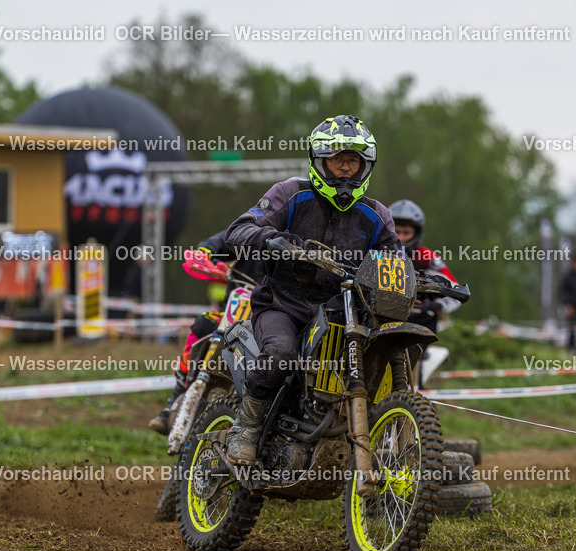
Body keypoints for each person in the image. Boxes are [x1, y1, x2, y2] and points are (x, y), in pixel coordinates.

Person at [222, 114, 402, 467]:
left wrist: (425, 279)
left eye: (353, 161)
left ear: (365, 166)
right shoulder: (290, 193)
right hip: (282, 305)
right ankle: (246, 426)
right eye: (338, 161)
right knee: (283, 352)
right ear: (320, 162)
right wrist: (271, 240)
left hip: (342, 312)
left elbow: (395, 260)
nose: (346, 171)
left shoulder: (377, 215)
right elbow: (238, 230)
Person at [146, 230, 265, 435]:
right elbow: (229, 238)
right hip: (229, 317)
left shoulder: (300, 249)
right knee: (204, 323)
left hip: (264, 324)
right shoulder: (259, 232)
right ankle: (175, 398)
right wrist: (205, 252)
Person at [388, 199, 460, 333]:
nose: (401, 237)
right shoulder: (378, 253)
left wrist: (438, 304)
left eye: (406, 232)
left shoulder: (426, 256)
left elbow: (455, 290)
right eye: (396, 231)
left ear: (416, 233)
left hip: (419, 322)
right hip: (384, 320)